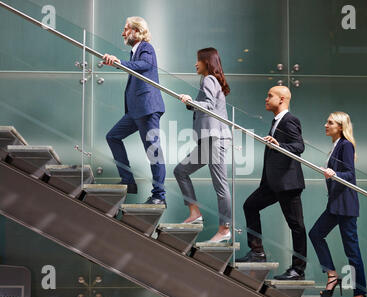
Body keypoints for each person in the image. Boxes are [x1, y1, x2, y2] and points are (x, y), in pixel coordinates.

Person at [236, 86, 307, 281]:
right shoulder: (276, 121)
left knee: (296, 226)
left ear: (282, 99)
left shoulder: (290, 120)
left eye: (270, 96)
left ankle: (298, 270)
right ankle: (257, 252)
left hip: (287, 183)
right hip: (272, 183)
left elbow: (299, 146)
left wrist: (279, 145)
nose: (266, 99)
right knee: (250, 205)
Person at [102, 16, 166, 205]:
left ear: (137, 31)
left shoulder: (146, 48)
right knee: (112, 136)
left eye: (126, 29)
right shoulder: (134, 52)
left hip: (147, 109)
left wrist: (118, 62)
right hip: (135, 111)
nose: (123, 33)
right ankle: (128, 181)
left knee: (154, 152)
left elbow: (145, 66)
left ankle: (159, 196)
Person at [174, 47, 232, 243]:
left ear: (207, 62)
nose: (195, 64)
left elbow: (209, 105)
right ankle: (195, 212)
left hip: (215, 139)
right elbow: (208, 104)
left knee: (220, 186)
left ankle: (225, 229)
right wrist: (191, 103)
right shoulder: (210, 81)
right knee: (180, 171)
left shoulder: (209, 79)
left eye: (198, 60)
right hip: (209, 139)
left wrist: (190, 100)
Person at [308, 111, 367, 297]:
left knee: (352, 250)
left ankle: (360, 294)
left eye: (330, 122)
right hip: (335, 204)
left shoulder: (346, 145)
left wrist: (334, 174)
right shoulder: (335, 146)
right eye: (327, 122)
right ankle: (332, 275)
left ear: (340, 127)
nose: (326, 125)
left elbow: (350, 174)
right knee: (315, 234)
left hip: (346, 205)